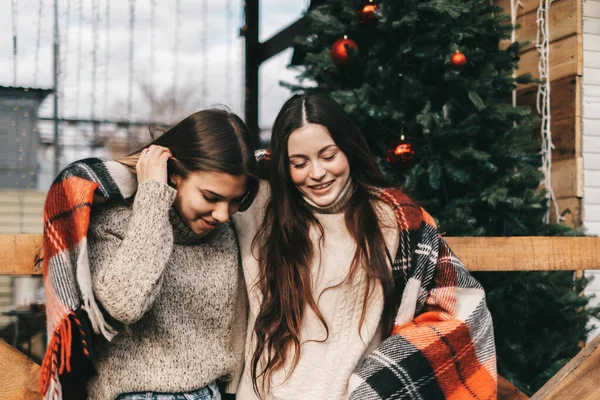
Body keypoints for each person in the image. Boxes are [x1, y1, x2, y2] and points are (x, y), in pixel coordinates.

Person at [232, 94, 497, 399]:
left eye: (329, 156)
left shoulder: (394, 219)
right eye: (299, 163)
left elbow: (463, 308)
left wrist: (377, 385)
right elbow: (203, 173)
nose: (317, 173)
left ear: (348, 149)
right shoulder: (260, 205)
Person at [40, 108, 257, 400]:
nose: (221, 214)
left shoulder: (224, 230)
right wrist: (153, 196)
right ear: (176, 175)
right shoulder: (116, 220)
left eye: (234, 201)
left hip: (211, 392)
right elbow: (126, 303)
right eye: (210, 197)